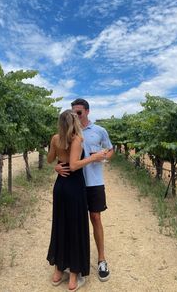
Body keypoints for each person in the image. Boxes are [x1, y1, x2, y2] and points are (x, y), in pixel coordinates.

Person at [47, 109, 107, 292]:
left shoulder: (55, 138)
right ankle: (73, 278)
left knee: (60, 225)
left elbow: (50, 159)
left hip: (60, 186)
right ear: (74, 122)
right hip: (74, 187)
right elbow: (73, 166)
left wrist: (58, 165)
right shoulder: (77, 139)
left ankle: (58, 272)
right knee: (75, 227)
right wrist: (94, 157)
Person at [55, 99, 114, 282]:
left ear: (87, 112)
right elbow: (59, 155)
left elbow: (110, 149)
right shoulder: (68, 133)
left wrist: (103, 158)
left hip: (94, 182)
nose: (76, 116)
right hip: (74, 185)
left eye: (78, 112)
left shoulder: (99, 131)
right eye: (73, 113)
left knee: (95, 218)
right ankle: (75, 262)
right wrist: (56, 167)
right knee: (74, 223)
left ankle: (101, 259)